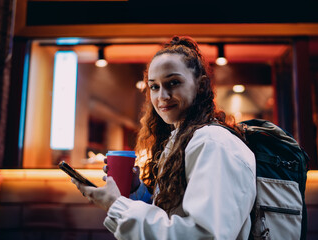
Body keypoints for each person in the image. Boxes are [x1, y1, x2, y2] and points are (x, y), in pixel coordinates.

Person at [72, 36, 256, 239]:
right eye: (154, 86)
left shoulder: (212, 142)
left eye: (173, 83)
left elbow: (205, 235)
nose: (162, 96)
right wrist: (137, 191)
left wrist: (117, 206)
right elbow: (173, 215)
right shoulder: (182, 139)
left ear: (201, 85)